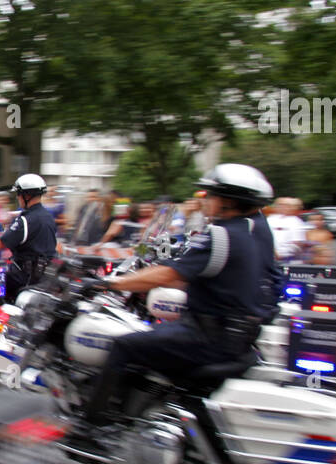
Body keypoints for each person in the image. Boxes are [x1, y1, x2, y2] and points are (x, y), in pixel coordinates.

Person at [82, 164, 275, 430]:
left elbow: (171, 275)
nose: (203, 200)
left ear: (228, 201)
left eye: (210, 195)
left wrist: (110, 283)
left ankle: (92, 425)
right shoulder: (253, 231)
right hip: (238, 334)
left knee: (124, 345)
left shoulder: (221, 234)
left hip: (207, 336)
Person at [0, 173, 57, 301]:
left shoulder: (26, 220)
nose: (17, 197)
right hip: (43, 274)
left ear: (27, 195)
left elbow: (0, 244)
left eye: (18, 194)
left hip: (23, 275)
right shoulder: (47, 216)